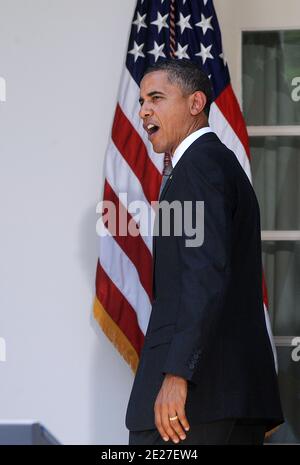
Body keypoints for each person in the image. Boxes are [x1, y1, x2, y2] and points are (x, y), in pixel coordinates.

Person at [125, 59, 283, 445]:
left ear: (196, 103)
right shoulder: (216, 164)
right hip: (226, 400)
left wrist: (178, 375)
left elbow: (204, 274)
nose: (144, 109)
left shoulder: (198, 167)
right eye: (142, 100)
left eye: (157, 97)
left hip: (196, 403)